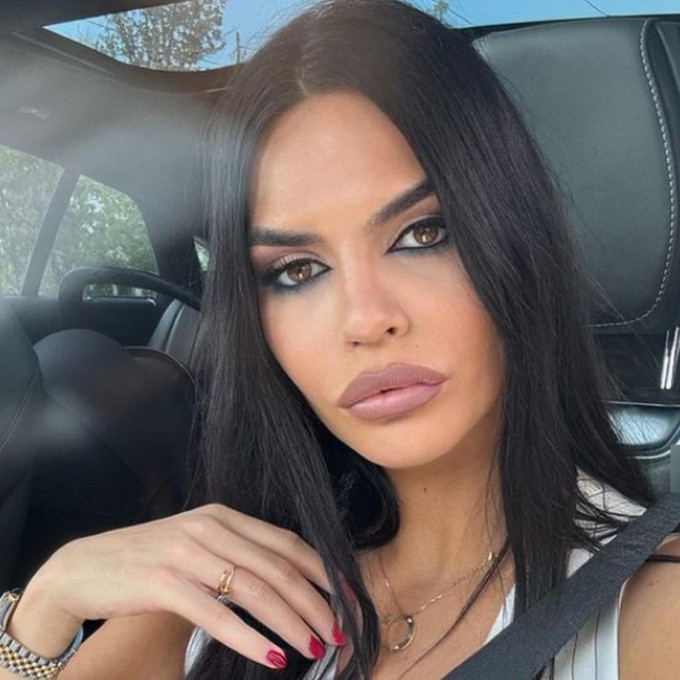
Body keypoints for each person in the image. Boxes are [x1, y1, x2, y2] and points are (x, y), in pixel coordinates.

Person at [2, 1, 680, 679]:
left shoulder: (654, 612)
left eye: (423, 234)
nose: (365, 319)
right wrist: (46, 607)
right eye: (297, 271)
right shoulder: (214, 596)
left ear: (516, 242)